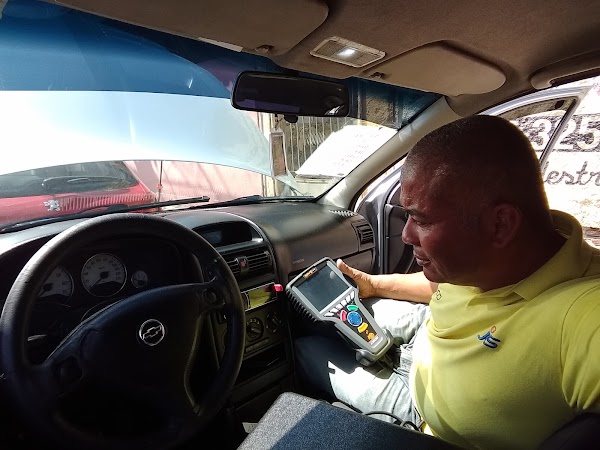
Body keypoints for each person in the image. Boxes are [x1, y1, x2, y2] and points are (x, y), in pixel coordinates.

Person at [294, 115, 600, 449]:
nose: (407, 235)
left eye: (421, 220)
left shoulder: (585, 313)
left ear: (500, 224)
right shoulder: (490, 258)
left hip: (424, 414)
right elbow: (441, 287)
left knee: (303, 349)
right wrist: (373, 284)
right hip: (424, 331)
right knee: (310, 320)